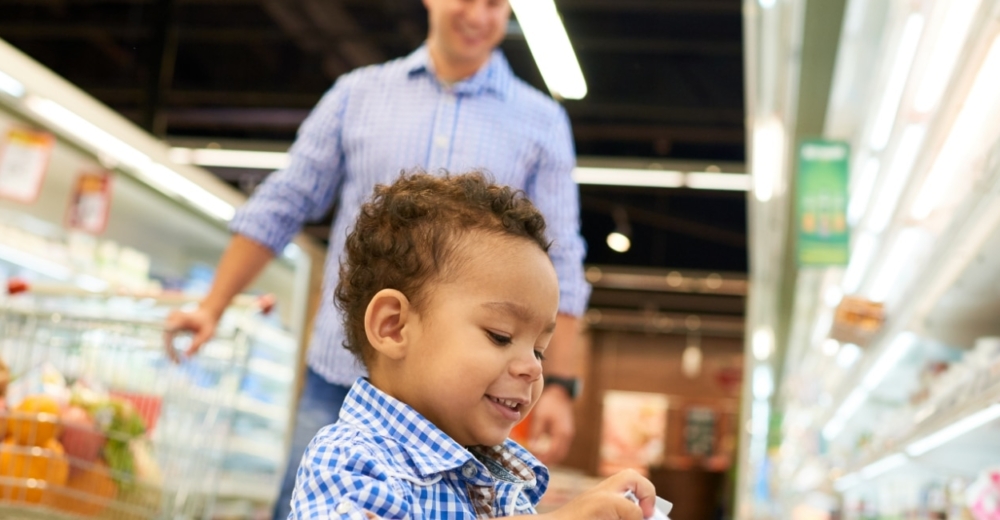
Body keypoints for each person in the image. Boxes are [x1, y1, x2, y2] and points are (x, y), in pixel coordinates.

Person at [163, 0, 589, 517]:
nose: (481, 14)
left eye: (497, 3)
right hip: (339, 375)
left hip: (461, 403)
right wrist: (212, 305)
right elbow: (284, 201)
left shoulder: (541, 122)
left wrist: (560, 384)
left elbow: (561, 259)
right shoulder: (357, 95)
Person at [290, 171, 654, 520]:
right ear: (394, 326)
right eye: (500, 336)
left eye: (539, 349)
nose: (533, 368)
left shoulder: (499, 478)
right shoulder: (350, 458)